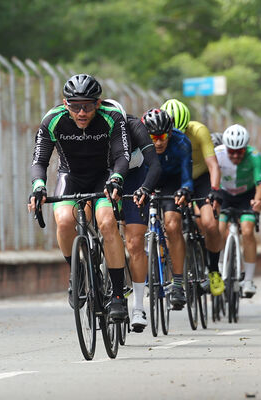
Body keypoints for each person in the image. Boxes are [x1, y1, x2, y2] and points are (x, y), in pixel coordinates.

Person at [28, 74, 130, 321]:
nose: (82, 112)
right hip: (71, 176)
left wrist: (116, 178)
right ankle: (78, 271)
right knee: (64, 221)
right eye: (75, 106)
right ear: (65, 104)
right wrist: (39, 186)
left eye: (88, 105)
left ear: (98, 102)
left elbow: (121, 156)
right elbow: (40, 161)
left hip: (104, 176)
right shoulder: (53, 120)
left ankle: (117, 295)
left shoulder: (112, 116)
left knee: (106, 222)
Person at [103, 99, 161, 332]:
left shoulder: (136, 127)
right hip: (104, 177)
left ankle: (138, 307)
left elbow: (154, 165)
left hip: (134, 179)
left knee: (135, 242)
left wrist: (145, 189)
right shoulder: (94, 130)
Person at [161, 99, 224, 296]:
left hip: (200, 179)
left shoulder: (199, 131)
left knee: (210, 224)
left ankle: (213, 269)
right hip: (176, 179)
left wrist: (214, 189)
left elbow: (213, 164)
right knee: (172, 224)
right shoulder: (160, 133)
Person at [141, 108, 193, 309]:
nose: (158, 142)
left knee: (172, 225)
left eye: (162, 137)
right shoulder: (138, 143)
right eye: (153, 137)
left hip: (172, 184)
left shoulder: (181, 142)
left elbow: (187, 178)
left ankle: (178, 283)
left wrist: (185, 190)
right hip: (146, 183)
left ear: (170, 133)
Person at [215, 124, 261, 297]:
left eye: (240, 151)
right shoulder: (218, 154)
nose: (235, 155)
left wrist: (258, 201)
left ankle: (249, 280)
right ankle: (220, 265)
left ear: (246, 148)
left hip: (246, 196)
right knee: (219, 229)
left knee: (248, 230)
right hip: (224, 194)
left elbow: (260, 184)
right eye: (232, 151)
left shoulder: (254, 156)